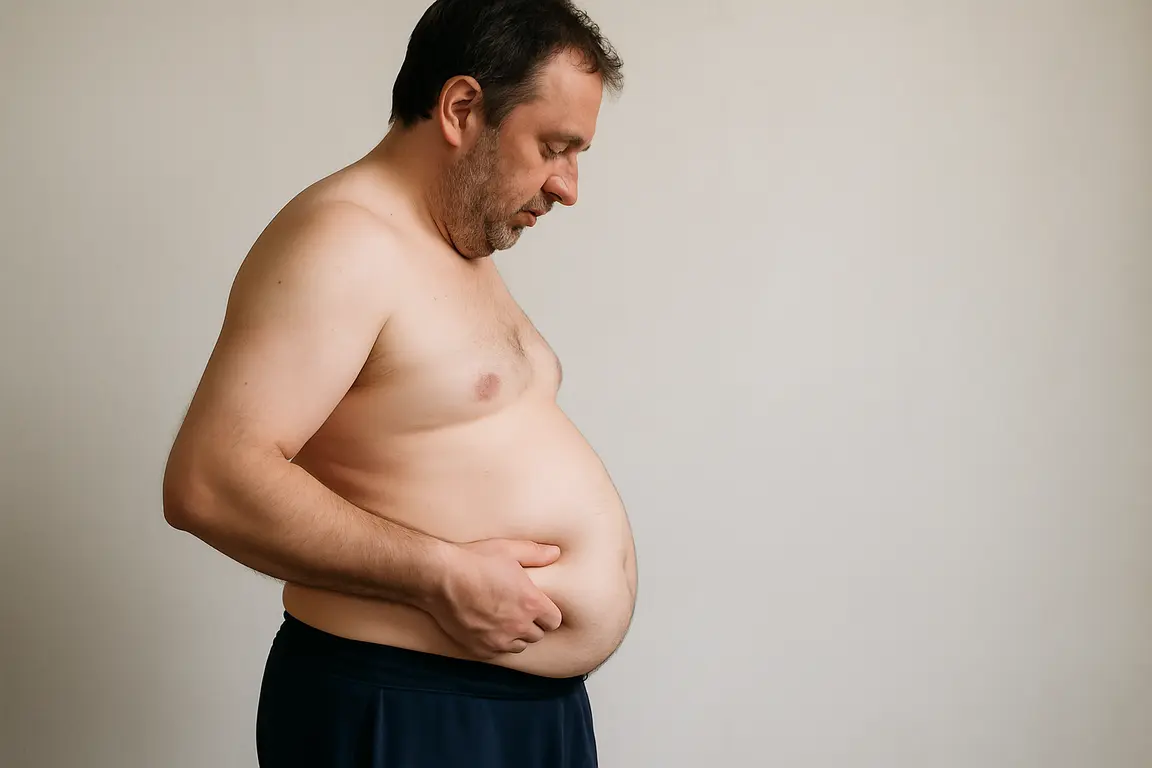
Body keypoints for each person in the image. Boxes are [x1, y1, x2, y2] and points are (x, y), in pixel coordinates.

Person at [161, 0, 635, 765]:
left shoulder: (454, 245)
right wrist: (440, 575)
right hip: (406, 705)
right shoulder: (345, 242)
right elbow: (209, 481)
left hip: (513, 708)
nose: (568, 186)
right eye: (554, 147)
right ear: (461, 108)